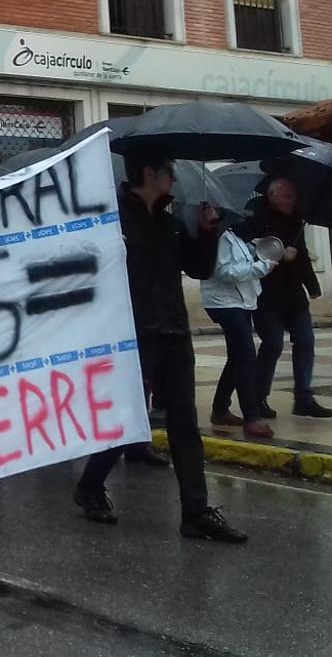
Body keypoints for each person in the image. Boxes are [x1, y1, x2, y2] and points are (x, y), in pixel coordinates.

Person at [73, 152, 247, 543]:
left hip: (172, 331)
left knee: (185, 422)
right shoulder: (110, 219)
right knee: (125, 417)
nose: (175, 181)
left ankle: (196, 512)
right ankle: (89, 485)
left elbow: (198, 269)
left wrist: (207, 232)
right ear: (150, 173)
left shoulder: (170, 223)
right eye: (170, 172)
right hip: (129, 334)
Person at [247, 180, 332, 419]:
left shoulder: (297, 219)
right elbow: (252, 250)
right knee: (273, 344)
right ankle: (258, 398)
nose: (291, 202)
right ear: (273, 196)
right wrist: (279, 253)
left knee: (306, 341)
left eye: (293, 198)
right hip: (267, 295)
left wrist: (313, 285)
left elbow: (303, 252)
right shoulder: (255, 215)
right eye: (286, 198)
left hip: (294, 294)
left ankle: (304, 397)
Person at [203, 223, 277, 437]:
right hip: (224, 303)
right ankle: (251, 417)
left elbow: (239, 264)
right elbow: (224, 271)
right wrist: (260, 268)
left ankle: (220, 409)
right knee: (246, 356)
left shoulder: (236, 237)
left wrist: (256, 252)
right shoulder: (221, 237)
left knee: (237, 357)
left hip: (240, 301)